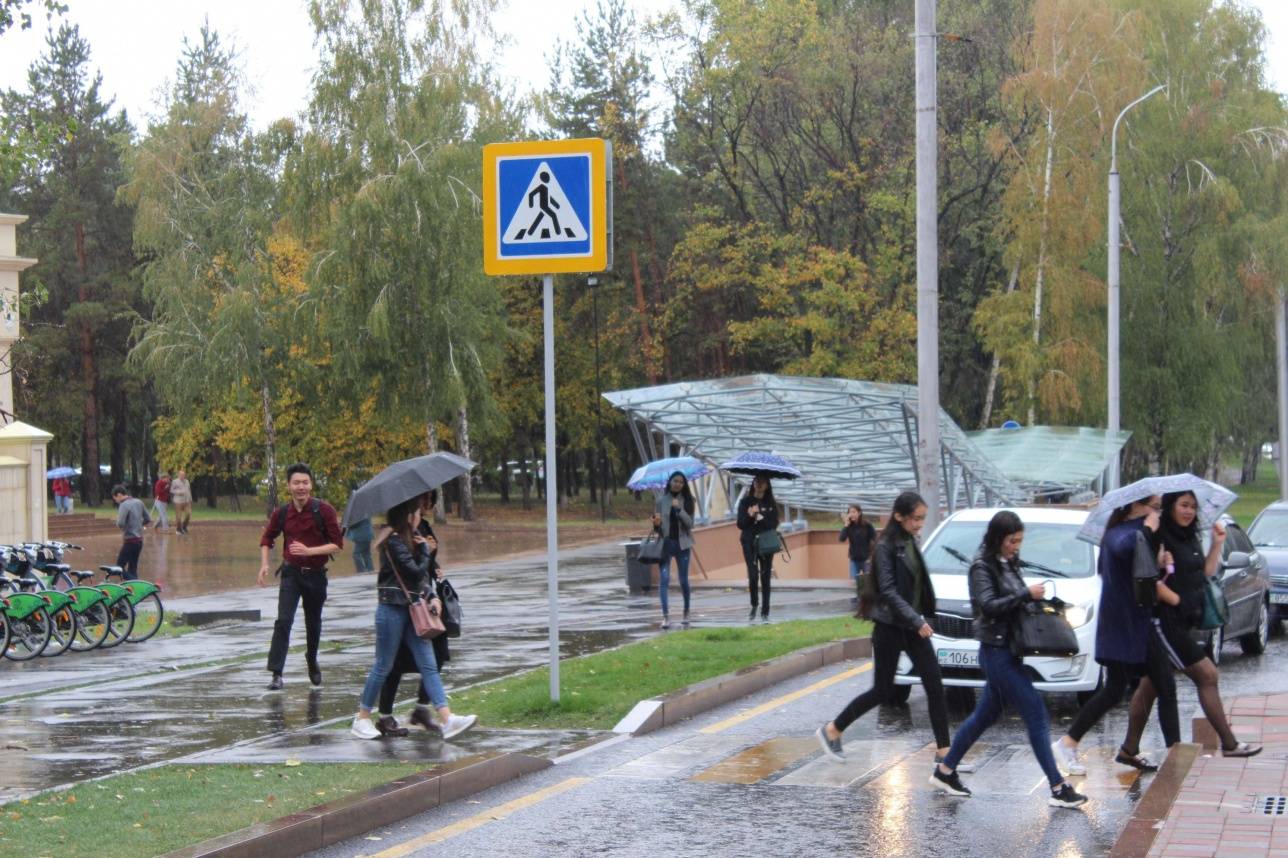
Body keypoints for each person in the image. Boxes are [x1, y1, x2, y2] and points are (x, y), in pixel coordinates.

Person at [930, 511, 1089, 808]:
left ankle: (945, 770)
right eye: (1012, 540)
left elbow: (1013, 600)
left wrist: (1034, 598)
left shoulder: (1007, 562)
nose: (1016, 546)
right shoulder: (982, 567)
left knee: (985, 716)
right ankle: (1058, 787)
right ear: (997, 538)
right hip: (996, 651)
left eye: (1019, 541)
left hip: (1009, 649)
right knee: (1036, 713)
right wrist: (1025, 594)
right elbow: (988, 606)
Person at [816, 491, 956, 768]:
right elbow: (889, 592)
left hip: (911, 626)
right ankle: (832, 729)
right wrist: (917, 620)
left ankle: (944, 753)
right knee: (882, 690)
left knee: (935, 686)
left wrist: (924, 617)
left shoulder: (909, 541)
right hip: (891, 627)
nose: (919, 524)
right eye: (916, 518)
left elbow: (917, 586)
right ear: (899, 516)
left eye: (922, 519)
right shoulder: (885, 546)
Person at [1053, 495, 1180, 774]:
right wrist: (1147, 529)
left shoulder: (1125, 531)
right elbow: (1125, 548)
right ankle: (1176, 755)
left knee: (1118, 689)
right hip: (1129, 624)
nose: (1157, 512)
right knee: (1163, 685)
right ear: (1136, 506)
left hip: (1129, 623)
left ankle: (1070, 742)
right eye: (1154, 507)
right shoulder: (1122, 533)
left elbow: (1134, 567)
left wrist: (1158, 558)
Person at [351, 495, 477, 741]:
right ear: (409, 516)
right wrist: (425, 551)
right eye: (417, 512)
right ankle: (362, 717)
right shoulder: (394, 541)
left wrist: (432, 595)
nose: (421, 515)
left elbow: (419, 580)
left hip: (412, 609)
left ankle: (448, 718)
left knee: (428, 665)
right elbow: (416, 571)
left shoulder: (410, 541)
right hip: (391, 610)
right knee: (383, 665)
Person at [1147, 491, 1261, 757]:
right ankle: (1229, 743)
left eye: (1193, 507)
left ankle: (1129, 748)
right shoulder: (1159, 537)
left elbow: (1205, 572)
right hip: (1165, 622)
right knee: (1207, 675)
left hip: (1186, 620)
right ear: (1170, 506)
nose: (1188, 511)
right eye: (1183, 505)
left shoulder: (1189, 536)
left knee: (1147, 686)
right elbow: (1148, 579)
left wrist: (1217, 543)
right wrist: (1174, 597)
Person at [258, 463, 343, 691]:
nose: (301, 487)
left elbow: (337, 545)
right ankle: (276, 673)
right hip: (291, 574)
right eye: (296, 483)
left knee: (312, 623)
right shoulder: (282, 513)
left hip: (316, 576)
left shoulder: (324, 511)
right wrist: (265, 564)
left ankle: (312, 658)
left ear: (311, 485)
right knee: (283, 621)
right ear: (289, 486)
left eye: (305, 482)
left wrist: (309, 551)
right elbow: (267, 539)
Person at [374, 490, 448, 737]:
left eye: (430, 500)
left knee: (433, 659)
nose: (427, 505)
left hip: (421, 604)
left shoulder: (421, 528)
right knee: (390, 665)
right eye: (422, 501)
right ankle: (380, 715)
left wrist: (432, 560)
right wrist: (426, 553)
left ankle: (429, 710)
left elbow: (426, 569)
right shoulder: (394, 536)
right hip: (404, 606)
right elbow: (412, 571)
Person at [651, 471, 696, 629]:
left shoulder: (689, 500)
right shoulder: (660, 501)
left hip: (683, 545)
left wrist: (679, 510)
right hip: (665, 544)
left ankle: (686, 611)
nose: (678, 484)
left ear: (684, 485)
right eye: (675, 481)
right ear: (670, 482)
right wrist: (656, 524)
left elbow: (690, 524)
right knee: (664, 580)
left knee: (683, 580)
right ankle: (666, 616)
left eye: (681, 482)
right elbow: (657, 529)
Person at [737, 475, 780, 622]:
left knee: (766, 575)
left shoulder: (771, 503)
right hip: (749, 542)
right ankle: (754, 604)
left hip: (766, 542)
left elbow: (773, 524)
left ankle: (765, 610)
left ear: (767, 485)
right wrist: (750, 515)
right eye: (756, 481)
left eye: (762, 481)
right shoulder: (745, 502)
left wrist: (761, 517)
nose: (759, 484)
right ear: (753, 484)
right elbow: (740, 524)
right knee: (753, 574)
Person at [839, 503, 877, 611]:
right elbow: (841, 539)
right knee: (854, 581)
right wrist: (846, 525)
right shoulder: (849, 526)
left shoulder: (867, 525)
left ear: (859, 513)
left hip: (866, 558)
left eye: (854, 512)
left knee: (867, 581)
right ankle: (854, 605)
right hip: (854, 558)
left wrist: (872, 554)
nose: (852, 514)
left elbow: (875, 538)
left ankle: (867, 603)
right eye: (850, 512)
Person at [111, 484, 149, 580]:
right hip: (139, 541)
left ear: (119, 495)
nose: (116, 501)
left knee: (118, 568)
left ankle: (135, 582)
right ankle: (135, 590)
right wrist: (140, 524)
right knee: (133, 567)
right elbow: (148, 518)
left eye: (115, 498)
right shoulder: (139, 502)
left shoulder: (124, 505)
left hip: (130, 541)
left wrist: (118, 523)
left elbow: (120, 523)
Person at [170, 470, 193, 535]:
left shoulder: (187, 481)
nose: (183, 476)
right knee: (179, 517)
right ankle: (179, 529)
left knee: (188, 514)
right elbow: (171, 490)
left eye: (184, 475)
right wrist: (178, 492)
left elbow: (189, 490)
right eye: (181, 475)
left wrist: (190, 499)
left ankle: (184, 527)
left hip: (187, 501)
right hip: (178, 501)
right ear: (179, 475)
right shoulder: (175, 481)